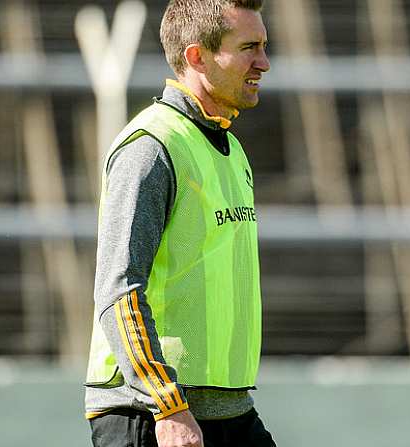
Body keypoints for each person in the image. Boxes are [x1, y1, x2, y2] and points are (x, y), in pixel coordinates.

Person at [83, 1, 274, 446]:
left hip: (229, 412)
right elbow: (118, 289)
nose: (263, 63)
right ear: (196, 57)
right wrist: (167, 404)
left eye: (264, 46)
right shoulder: (151, 148)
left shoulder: (231, 150)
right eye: (249, 47)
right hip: (151, 415)